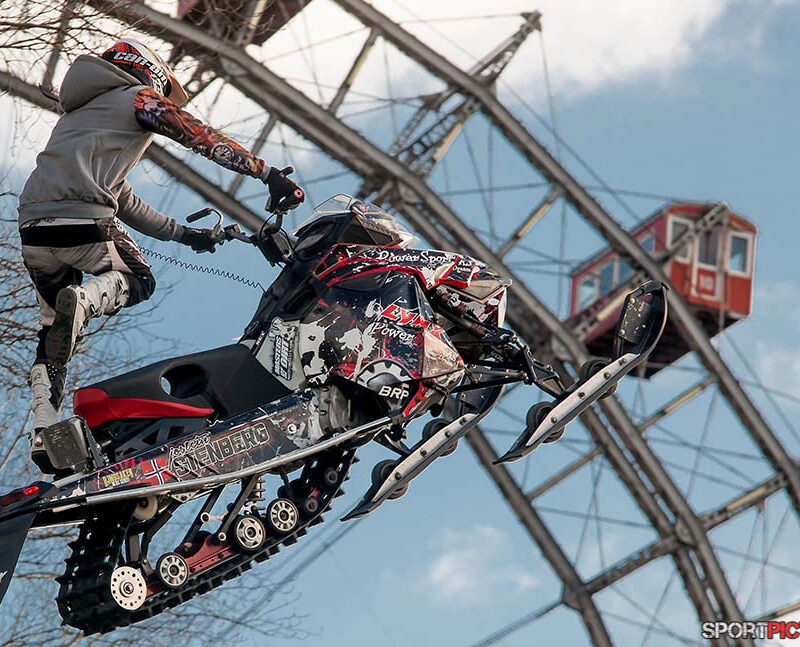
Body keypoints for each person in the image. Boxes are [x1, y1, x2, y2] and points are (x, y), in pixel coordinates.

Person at [17, 38, 304, 472]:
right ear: (147, 71)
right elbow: (197, 134)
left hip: (34, 230)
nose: (162, 98)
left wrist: (186, 235)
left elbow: (125, 200)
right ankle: (87, 300)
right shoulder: (138, 97)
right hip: (84, 219)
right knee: (139, 279)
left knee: (51, 337)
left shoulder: (78, 116)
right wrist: (266, 173)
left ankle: (43, 429)